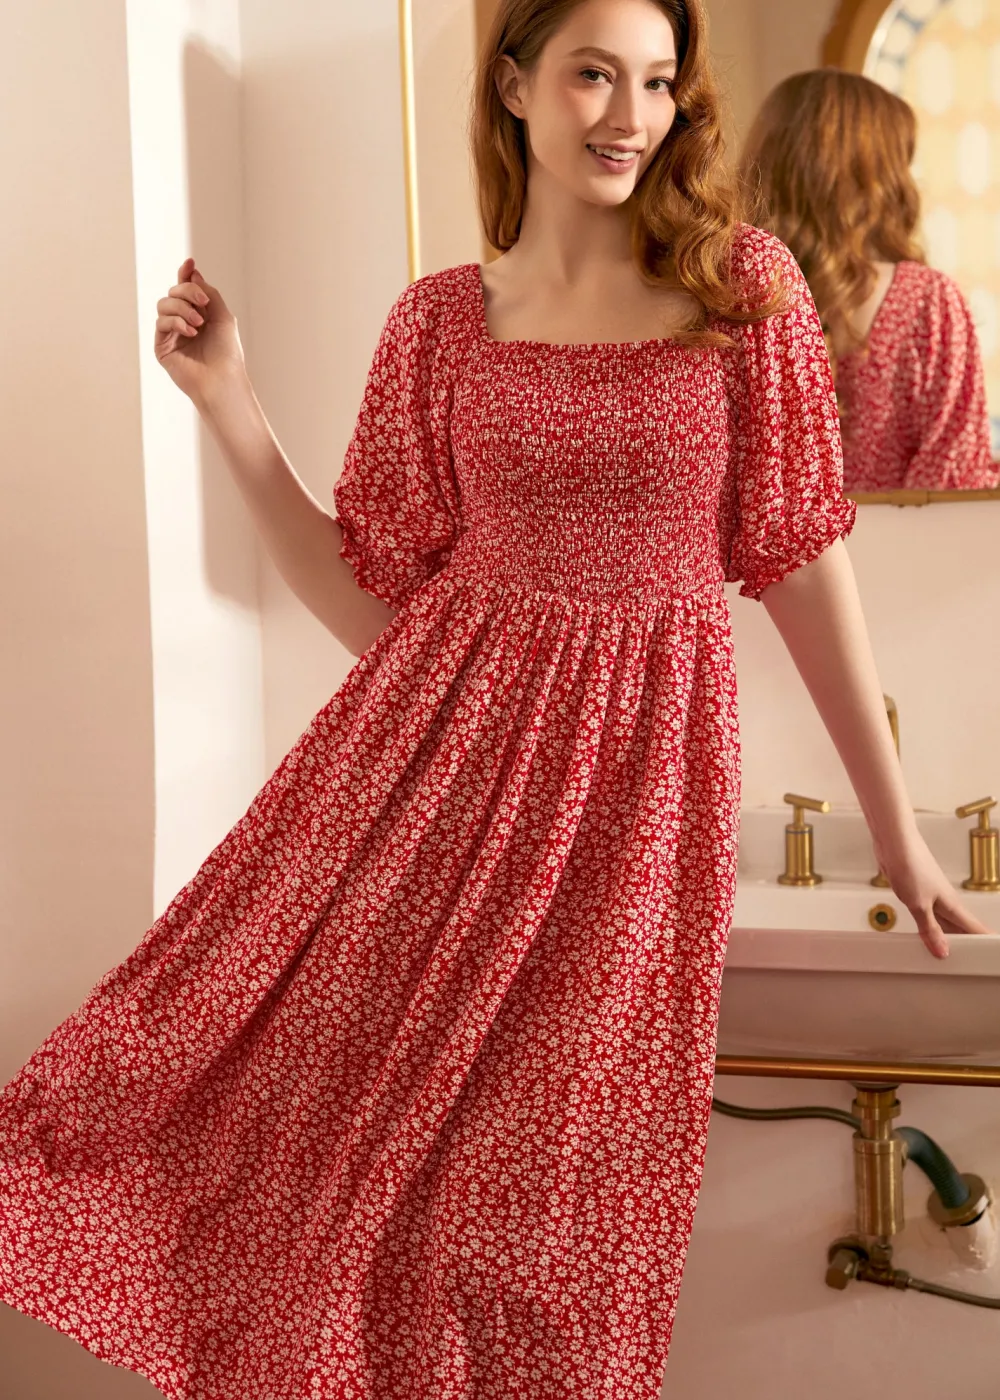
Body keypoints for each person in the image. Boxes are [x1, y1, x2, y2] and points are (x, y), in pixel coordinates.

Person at [0, 3, 993, 1398]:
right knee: (333, 1176)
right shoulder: (439, 324)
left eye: (657, 81)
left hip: (632, 813)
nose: (629, 115)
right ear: (515, 86)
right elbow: (376, 604)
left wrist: (894, 831)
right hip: (428, 793)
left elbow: (802, 560)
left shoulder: (742, 293)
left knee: (551, 1225)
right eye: (593, 74)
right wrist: (228, 401)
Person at [740, 67, 1000, 493]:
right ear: (875, 177)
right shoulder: (926, 302)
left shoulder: (726, 297)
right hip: (907, 539)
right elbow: (954, 485)